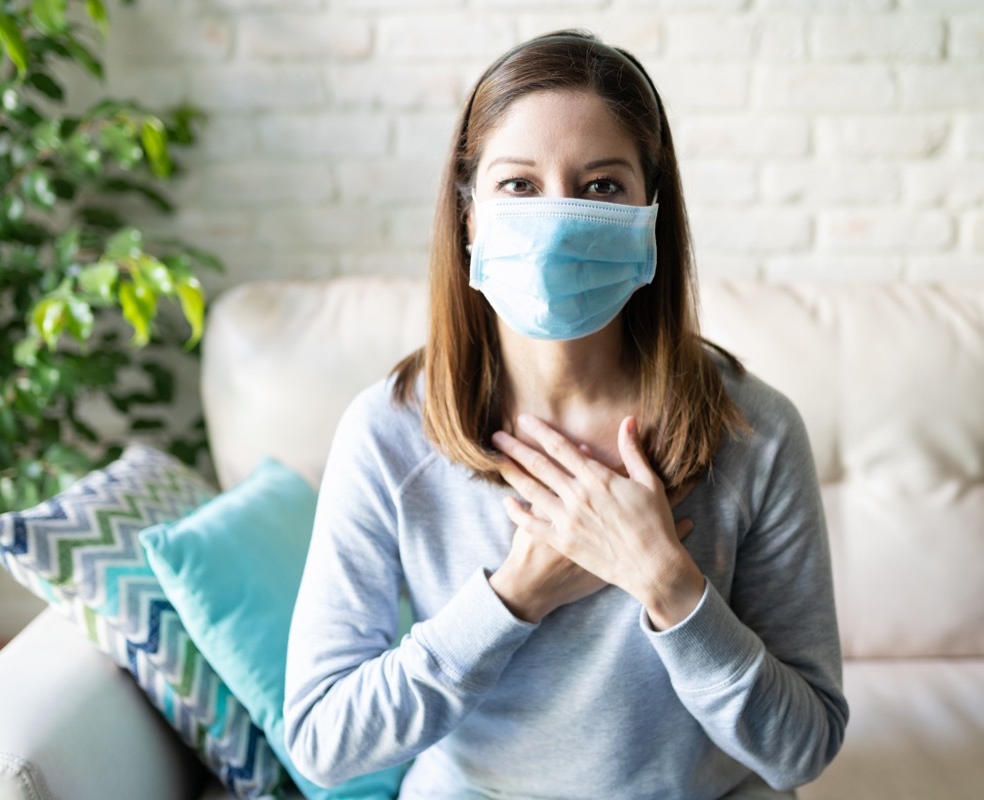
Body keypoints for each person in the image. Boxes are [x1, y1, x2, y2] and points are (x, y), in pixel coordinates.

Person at [284, 30, 848, 800]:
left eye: (602, 185)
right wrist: (516, 595)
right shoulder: (386, 433)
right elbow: (323, 741)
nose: (558, 218)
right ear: (467, 217)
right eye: (519, 185)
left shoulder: (757, 431)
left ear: (652, 211)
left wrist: (670, 585)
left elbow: (802, 749)